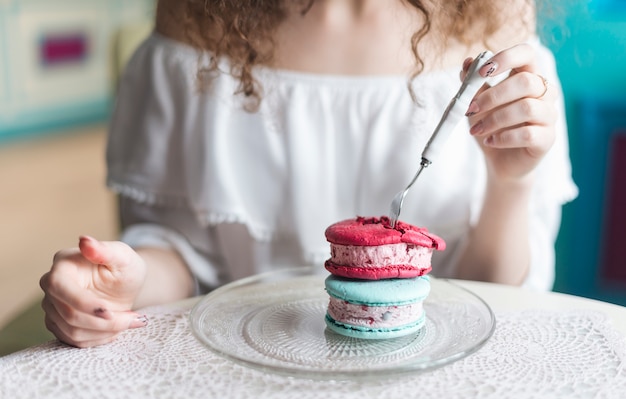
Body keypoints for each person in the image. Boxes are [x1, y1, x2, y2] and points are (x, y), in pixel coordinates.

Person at [40, 0, 577, 347]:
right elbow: (179, 255)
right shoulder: (198, 16)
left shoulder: (493, 17)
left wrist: (511, 182)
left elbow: (492, 298)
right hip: (237, 374)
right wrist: (121, 283)